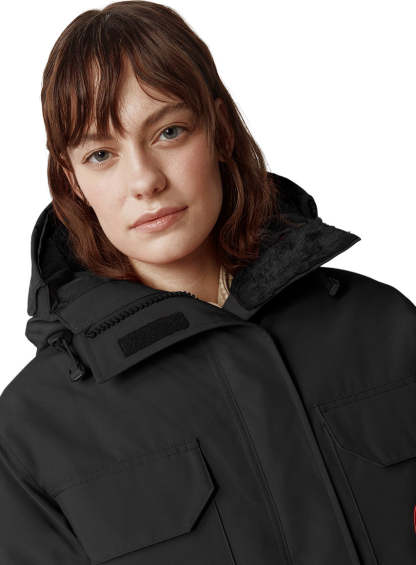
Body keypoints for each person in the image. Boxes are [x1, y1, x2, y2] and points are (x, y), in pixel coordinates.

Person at [1, 2, 415, 564]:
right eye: (101, 154)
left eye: (168, 131)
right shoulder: (33, 431)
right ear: (72, 181)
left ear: (218, 130)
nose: (145, 180)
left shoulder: (382, 326)